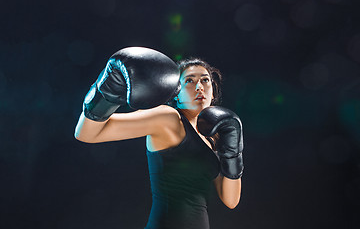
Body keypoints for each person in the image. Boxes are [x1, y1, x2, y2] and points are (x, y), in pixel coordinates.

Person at [74, 47, 244, 229]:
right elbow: (86, 133)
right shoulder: (169, 119)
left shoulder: (212, 137)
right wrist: (107, 91)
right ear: (176, 94)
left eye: (205, 80)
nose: (199, 86)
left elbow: (231, 200)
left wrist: (234, 154)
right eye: (189, 80)